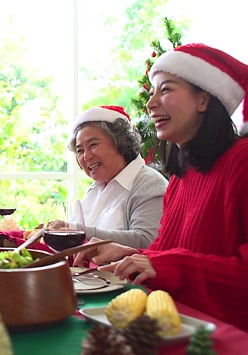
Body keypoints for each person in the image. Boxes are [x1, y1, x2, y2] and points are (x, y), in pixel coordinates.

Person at [74, 43, 248, 332]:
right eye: (152, 91)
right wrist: (128, 253)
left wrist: (166, 266)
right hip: (177, 328)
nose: (150, 103)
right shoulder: (182, 177)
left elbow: (178, 265)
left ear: (204, 98)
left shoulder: (242, 162)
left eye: (165, 90)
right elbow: (165, 253)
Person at [48, 105, 167, 248]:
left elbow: (147, 241)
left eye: (93, 145)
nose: (86, 156)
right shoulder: (96, 188)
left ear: (120, 143)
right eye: (80, 150)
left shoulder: (149, 184)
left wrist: (77, 230)